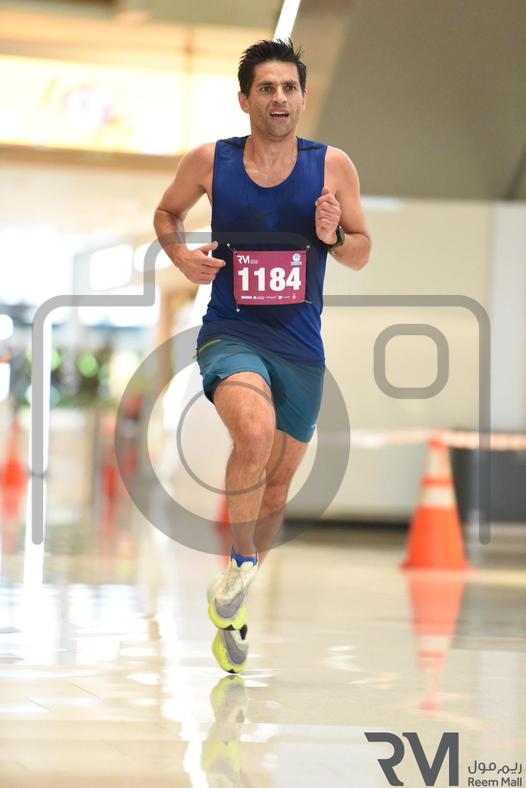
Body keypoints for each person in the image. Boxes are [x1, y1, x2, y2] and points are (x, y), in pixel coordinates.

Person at [153, 39, 371, 673]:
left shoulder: (333, 166)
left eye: (289, 88)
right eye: (267, 88)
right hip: (232, 331)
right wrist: (181, 255)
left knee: (277, 481)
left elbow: (362, 251)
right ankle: (239, 568)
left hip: (300, 347)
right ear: (244, 99)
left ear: (303, 97)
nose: (280, 98)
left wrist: (332, 235)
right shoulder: (210, 161)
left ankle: (237, 588)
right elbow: (167, 212)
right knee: (252, 432)